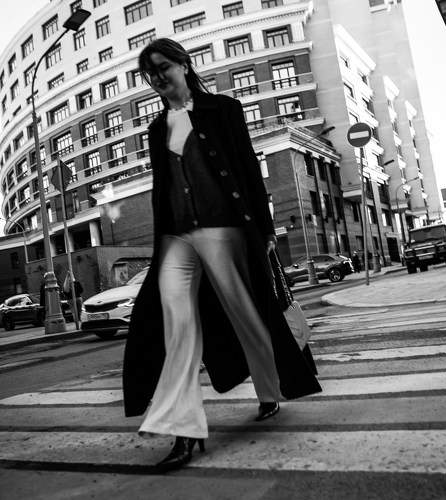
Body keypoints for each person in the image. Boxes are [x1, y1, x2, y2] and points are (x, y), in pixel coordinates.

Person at [122, 38, 322, 472]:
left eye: (162, 67)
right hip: (178, 238)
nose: (157, 77)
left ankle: (269, 390)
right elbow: (164, 188)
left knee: (247, 315)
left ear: (183, 64)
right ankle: (184, 431)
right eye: (149, 73)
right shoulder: (157, 129)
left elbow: (247, 168)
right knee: (178, 329)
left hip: (224, 230)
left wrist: (265, 229)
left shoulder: (223, 109)